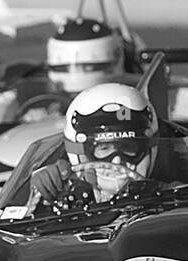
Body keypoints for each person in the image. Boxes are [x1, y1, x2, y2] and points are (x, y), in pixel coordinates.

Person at [28, 82, 164, 207]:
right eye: (104, 148)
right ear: (80, 153)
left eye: (127, 146)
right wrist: (44, 193)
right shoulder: (65, 202)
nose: (117, 161)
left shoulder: (172, 197)